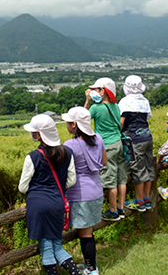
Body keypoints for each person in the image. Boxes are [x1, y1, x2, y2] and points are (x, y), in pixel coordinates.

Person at [19, 114, 80, 275]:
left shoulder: (33, 156)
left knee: (46, 248)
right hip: (57, 202)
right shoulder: (67, 152)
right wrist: (56, 186)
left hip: (37, 205)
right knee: (57, 246)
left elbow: (23, 187)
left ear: (39, 134)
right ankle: (76, 273)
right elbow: (71, 180)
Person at [62, 107, 106, 275]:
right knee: (87, 231)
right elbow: (104, 162)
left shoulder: (70, 145)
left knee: (85, 233)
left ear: (74, 124)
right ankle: (90, 267)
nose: (67, 125)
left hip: (79, 194)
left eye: (68, 122)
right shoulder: (99, 139)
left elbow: (64, 170)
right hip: (96, 190)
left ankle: (91, 269)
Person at [84, 78, 126, 221]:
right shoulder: (116, 106)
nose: (93, 92)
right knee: (121, 179)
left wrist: (87, 100)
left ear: (103, 91)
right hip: (119, 143)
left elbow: (82, 119)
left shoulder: (96, 108)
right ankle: (121, 208)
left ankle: (113, 211)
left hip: (107, 146)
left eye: (96, 89)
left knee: (110, 181)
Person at [119, 75, 154, 212]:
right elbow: (147, 117)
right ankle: (147, 199)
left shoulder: (125, 102)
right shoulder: (144, 100)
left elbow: (121, 122)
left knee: (138, 169)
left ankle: (139, 201)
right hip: (147, 136)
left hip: (134, 139)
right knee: (149, 166)